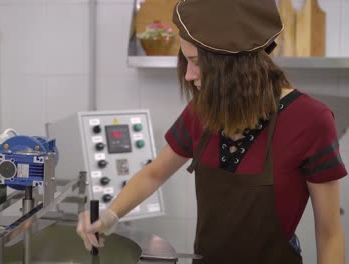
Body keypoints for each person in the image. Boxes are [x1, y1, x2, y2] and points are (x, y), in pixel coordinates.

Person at [77, 0, 346, 263]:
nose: (188, 76)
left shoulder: (311, 121)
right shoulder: (203, 110)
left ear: (233, 65)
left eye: (195, 62)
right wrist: (110, 215)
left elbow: (329, 233)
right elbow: (154, 173)